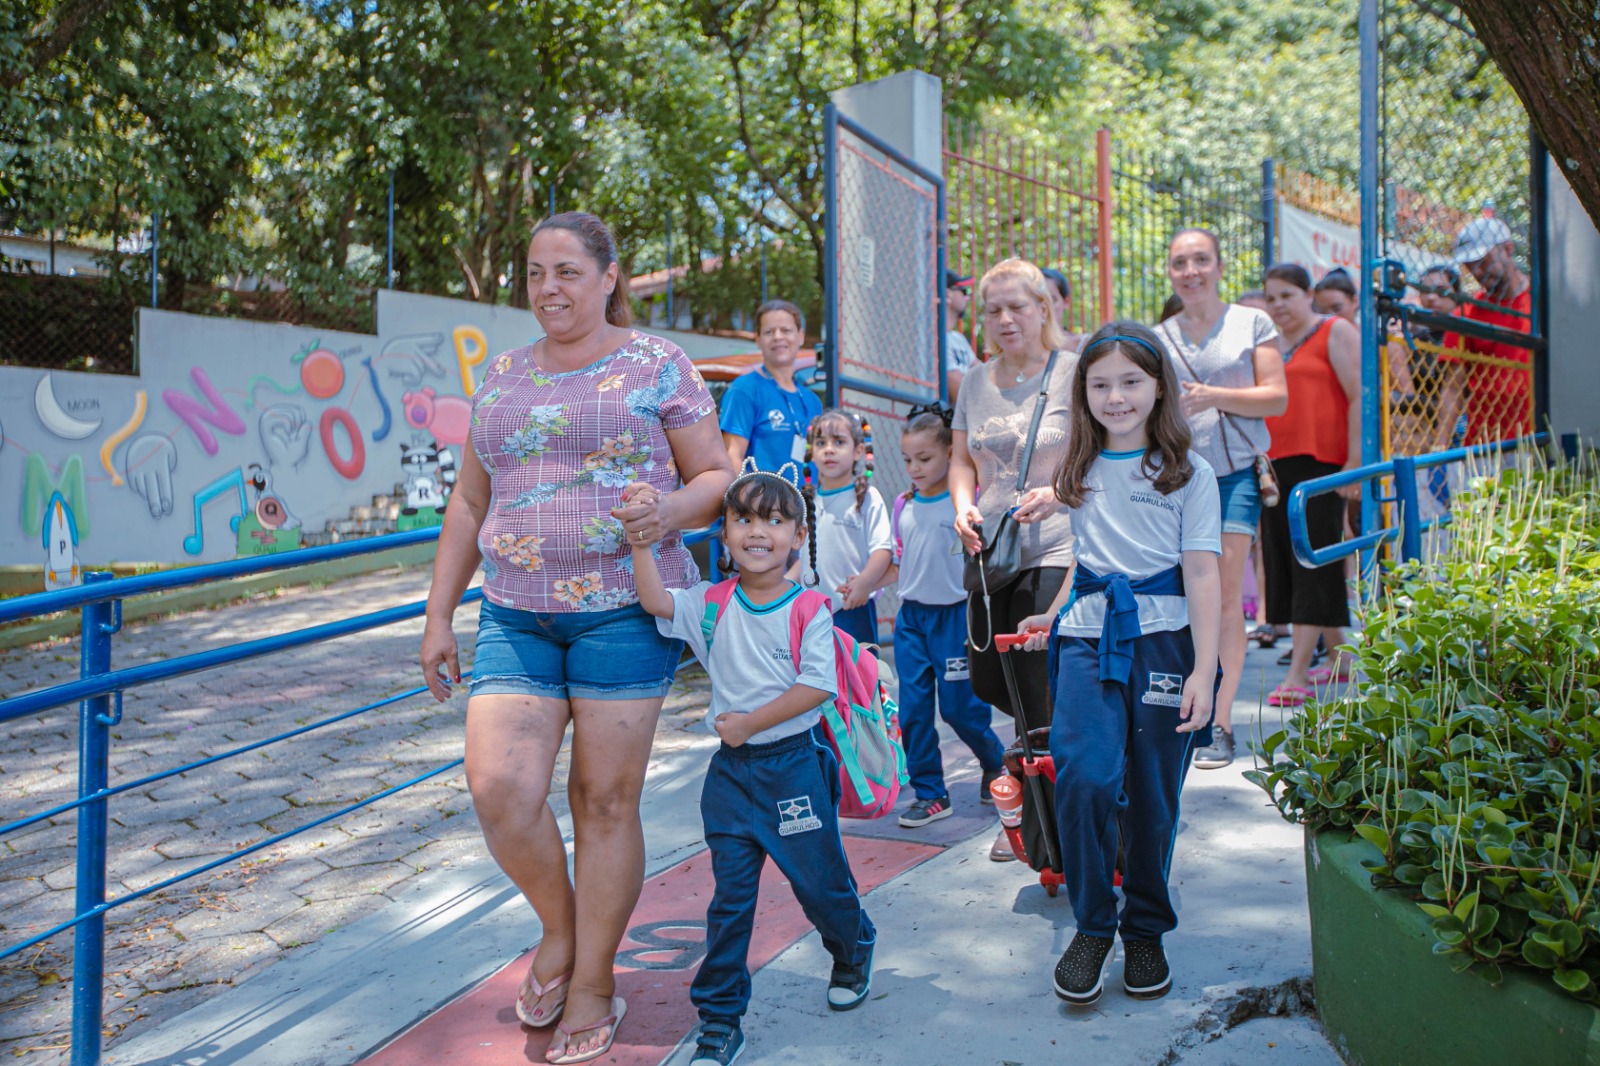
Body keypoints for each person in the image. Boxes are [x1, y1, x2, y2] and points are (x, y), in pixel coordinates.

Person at [420, 212, 734, 1064]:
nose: (548, 288)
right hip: (515, 612)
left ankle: (593, 980)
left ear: (607, 277)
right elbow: (470, 502)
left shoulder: (657, 362)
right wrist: (439, 614)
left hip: (624, 608)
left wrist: (669, 511)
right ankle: (561, 931)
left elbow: (716, 475)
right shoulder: (503, 374)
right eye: (535, 272)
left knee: (603, 801)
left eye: (566, 271)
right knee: (500, 790)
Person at [632, 465, 875, 1066]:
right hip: (731, 779)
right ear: (724, 532)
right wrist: (640, 542)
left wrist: (748, 723)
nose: (757, 531)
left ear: (798, 536)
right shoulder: (709, 603)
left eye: (774, 520)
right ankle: (720, 1019)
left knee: (820, 886)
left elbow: (817, 686)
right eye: (742, 518)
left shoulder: (810, 608)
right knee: (730, 901)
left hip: (794, 769)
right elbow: (655, 600)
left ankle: (853, 947)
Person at [1015, 322, 1221, 1006]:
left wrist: (1204, 672)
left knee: (1154, 797)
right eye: (1100, 384)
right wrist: (1056, 613)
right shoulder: (1076, 468)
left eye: (1131, 381)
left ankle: (1146, 929)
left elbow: (1203, 574)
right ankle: (1093, 926)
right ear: (1083, 393)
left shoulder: (1190, 474)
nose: (1116, 396)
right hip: (1085, 642)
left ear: (1159, 386)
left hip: (1164, 645)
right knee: (1085, 779)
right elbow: (1090, 559)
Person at [949, 257, 1077, 862]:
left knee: (1033, 680)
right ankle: (1046, 774)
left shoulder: (1073, 372)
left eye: (1016, 306)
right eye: (993, 309)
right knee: (988, 679)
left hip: (1056, 545)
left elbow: (1099, 455)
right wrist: (961, 507)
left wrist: (1059, 492)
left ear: (1042, 308)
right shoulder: (975, 381)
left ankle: (1041, 821)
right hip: (990, 552)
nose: (1004, 319)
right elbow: (960, 460)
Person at [1155, 228, 1285, 771]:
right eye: (1180, 262)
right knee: (1179, 594)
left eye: (1200, 260)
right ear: (1170, 271)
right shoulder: (1156, 337)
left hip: (1233, 477)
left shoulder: (1252, 323)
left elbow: (1275, 398)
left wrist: (1214, 396)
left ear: (1219, 266)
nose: (1191, 271)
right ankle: (1177, 708)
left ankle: (1220, 722)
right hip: (1173, 478)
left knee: (1226, 596)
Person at [888, 404, 1007, 828]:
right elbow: (900, 561)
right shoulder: (903, 504)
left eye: (924, 458)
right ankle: (931, 793)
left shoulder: (966, 504)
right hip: (912, 621)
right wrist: (863, 583)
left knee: (960, 709)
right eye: (907, 460)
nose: (914, 469)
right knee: (913, 712)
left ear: (950, 454)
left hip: (956, 618)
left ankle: (994, 762)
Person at [1258, 264, 1362, 708]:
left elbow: (1359, 395)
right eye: (1271, 298)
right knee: (1288, 560)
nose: (1278, 305)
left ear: (1308, 294)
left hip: (1321, 465)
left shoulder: (1335, 330)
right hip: (1274, 466)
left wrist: (1354, 462)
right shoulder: (1269, 344)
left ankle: (1298, 672)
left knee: (1311, 562)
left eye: (1287, 295)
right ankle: (1340, 655)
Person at [1435, 217, 1533, 449]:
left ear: (1507, 249)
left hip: (1537, 438)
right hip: (1484, 445)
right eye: (1470, 265)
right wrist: (1439, 447)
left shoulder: (1543, 300)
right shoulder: (1466, 314)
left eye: (1484, 261)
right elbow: (1453, 386)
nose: (1477, 271)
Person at [801, 409, 892, 646]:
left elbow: (882, 550)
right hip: (810, 611)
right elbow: (801, 559)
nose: (829, 449)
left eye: (839, 442)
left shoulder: (867, 497)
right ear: (812, 452)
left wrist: (864, 582)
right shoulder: (806, 501)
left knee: (858, 669)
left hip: (852, 606)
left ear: (858, 451)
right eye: (821, 443)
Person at [720, 299, 823, 473]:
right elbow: (732, 456)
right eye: (769, 332)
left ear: (800, 336)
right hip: (761, 491)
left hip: (807, 491)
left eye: (786, 330)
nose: (778, 337)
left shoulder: (812, 401)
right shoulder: (744, 390)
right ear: (758, 339)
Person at [945, 270, 980, 401]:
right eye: (964, 291)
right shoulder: (937, 339)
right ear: (947, 294)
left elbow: (985, 377)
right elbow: (959, 394)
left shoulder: (958, 338)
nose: (967, 297)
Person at [1041, 266, 1091, 351]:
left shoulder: (1083, 345)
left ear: (1066, 302)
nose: (1045, 307)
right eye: (1039, 300)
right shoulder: (1021, 348)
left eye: (1052, 300)